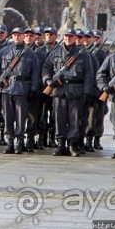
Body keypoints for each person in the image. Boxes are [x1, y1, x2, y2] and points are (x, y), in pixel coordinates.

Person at [42, 28, 97, 156]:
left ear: (75, 38)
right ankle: (60, 144)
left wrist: (87, 92)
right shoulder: (55, 53)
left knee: (75, 119)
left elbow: (89, 74)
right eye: (66, 36)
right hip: (59, 91)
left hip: (75, 91)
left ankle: (73, 144)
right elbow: (46, 67)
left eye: (70, 36)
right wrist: (48, 80)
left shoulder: (83, 54)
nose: (68, 38)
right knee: (59, 119)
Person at [0, 28, 41, 154]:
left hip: (22, 89)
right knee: (8, 117)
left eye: (19, 35)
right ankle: (10, 142)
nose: (17, 37)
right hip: (7, 89)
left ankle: (20, 142)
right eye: (15, 35)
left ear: (23, 36)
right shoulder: (4, 51)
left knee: (21, 117)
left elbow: (35, 73)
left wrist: (33, 88)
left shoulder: (30, 53)